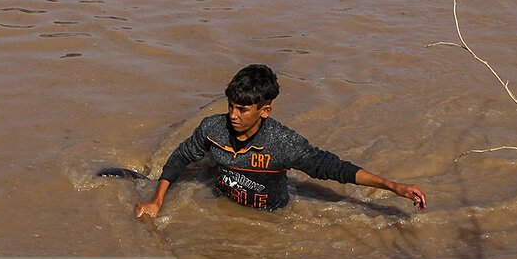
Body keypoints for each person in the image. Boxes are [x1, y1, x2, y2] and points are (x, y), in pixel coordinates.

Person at [134, 64, 426, 216]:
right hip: (224, 201)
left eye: (243, 109)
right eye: (230, 106)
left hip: (270, 214)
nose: (233, 116)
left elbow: (334, 169)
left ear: (265, 111)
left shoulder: (282, 143)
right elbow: (180, 157)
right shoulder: (212, 129)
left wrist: (392, 186)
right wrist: (156, 200)